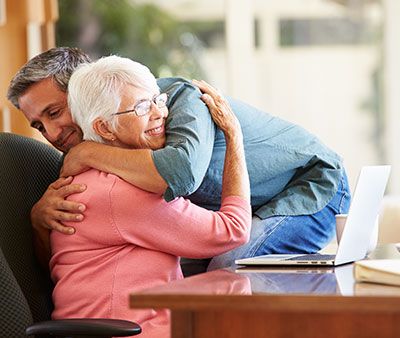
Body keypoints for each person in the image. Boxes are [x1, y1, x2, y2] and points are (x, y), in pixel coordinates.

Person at [7, 47, 351, 274]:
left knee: (228, 268)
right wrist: (39, 221)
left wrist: (86, 151)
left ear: (86, 90)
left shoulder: (175, 100)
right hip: (235, 216)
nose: (51, 134)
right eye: (38, 125)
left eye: (55, 112)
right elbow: (64, 261)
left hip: (311, 186)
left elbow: (180, 174)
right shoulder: (100, 162)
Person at [51, 55, 251, 337]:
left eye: (158, 99)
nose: (160, 113)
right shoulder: (119, 192)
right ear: (104, 128)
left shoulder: (100, 179)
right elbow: (232, 230)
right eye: (142, 107)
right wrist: (234, 136)